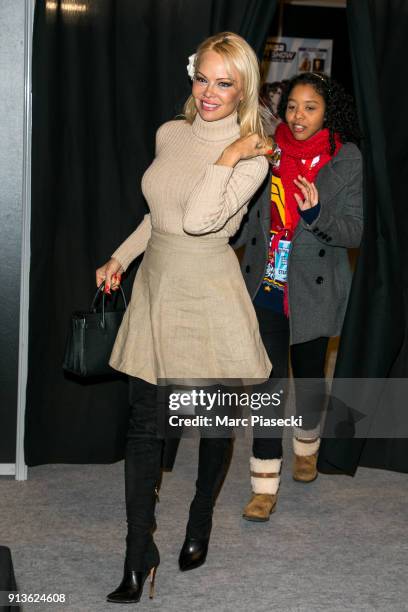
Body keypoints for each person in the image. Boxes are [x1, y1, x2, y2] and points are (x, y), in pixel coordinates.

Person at [96, 32, 273, 604]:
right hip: (158, 289)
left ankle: (200, 521)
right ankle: (135, 554)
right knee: (144, 428)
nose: (209, 93)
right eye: (203, 78)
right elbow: (162, 213)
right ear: (192, 74)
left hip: (211, 292)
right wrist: (121, 257)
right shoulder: (171, 133)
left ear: (243, 87)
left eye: (225, 83)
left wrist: (226, 156)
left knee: (215, 426)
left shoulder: (253, 151)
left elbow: (200, 221)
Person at [234, 72, 363, 521]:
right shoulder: (268, 150)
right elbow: (248, 215)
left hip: (313, 288)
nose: (298, 115)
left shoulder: (346, 160)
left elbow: (355, 230)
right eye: (291, 106)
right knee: (269, 385)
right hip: (266, 283)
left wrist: (315, 213)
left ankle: (307, 444)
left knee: (308, 377)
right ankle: (263, 484)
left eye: (310, 107)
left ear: (328, 112)